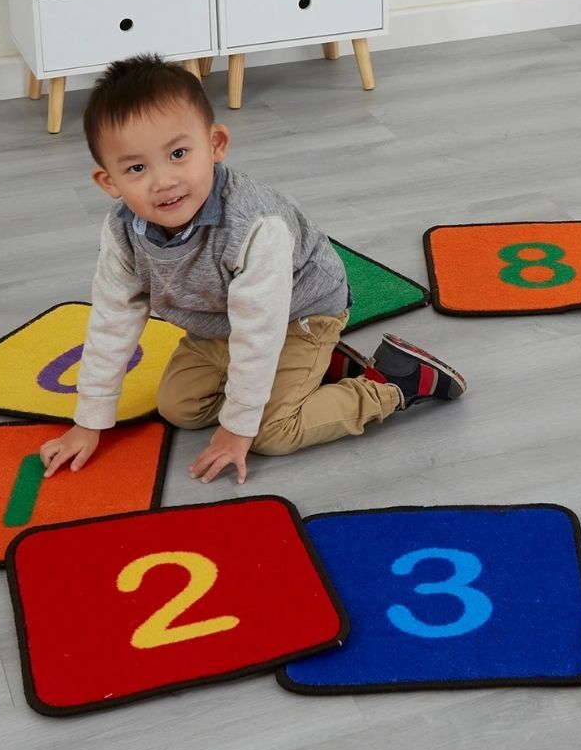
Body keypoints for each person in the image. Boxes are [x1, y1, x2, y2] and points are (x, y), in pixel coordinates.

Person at [39, 55, 466, 484]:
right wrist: (89, 421)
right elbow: (113, 321)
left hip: (299, 316)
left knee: (269, 433)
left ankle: (395, 384)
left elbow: (259, 331)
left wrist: (236, 429)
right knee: (179, 410)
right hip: (217, 326)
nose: (163, 180)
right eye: (136, 168)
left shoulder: (255, 225)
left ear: (216, 145)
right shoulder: (122, 232)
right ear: (108, 182)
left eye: (179, 154)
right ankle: (317, 370)